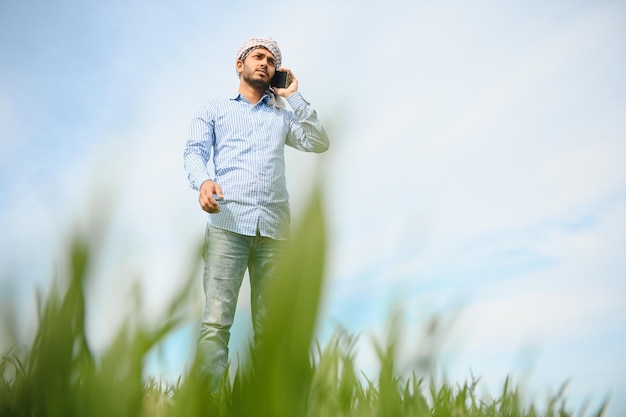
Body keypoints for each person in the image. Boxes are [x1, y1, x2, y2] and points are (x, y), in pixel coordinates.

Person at [183, 37, 329, 389]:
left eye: (271, 61)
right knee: (216, 322)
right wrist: (203, 181)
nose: (264, 63)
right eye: (257, 57)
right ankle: (208, 404)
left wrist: (292, 95)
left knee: (271, 328)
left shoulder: (280, 116)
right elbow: (193, 151)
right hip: (227, 225)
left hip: (275, 232)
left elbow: (318, 142)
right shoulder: (214, 108)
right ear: (240, 65)